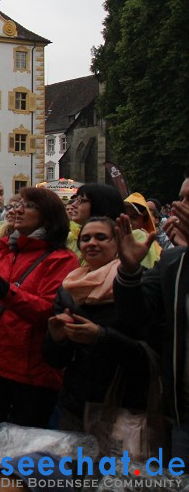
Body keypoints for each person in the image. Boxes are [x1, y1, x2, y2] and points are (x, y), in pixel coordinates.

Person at [0, 186, 79, 425]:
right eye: (16, 205)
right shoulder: (3, 252)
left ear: (48, 215)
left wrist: (1, 288)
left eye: (28, 206)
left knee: (19, 454)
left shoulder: (61, 259)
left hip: (31, 375)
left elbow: (47, 312)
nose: (17, 211)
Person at [43, 217, 150, 431]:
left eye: (101, 237)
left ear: (117, 243)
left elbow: (147, 353)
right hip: (76, 404)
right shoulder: (69, 288)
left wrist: (100, 336)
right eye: (85, 238)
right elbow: (56, 360)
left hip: (124, 404)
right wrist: (56, 338)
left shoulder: (137, 283)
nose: (92, 243)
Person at [114, 173, 189, 457]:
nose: (180, 206)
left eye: (188, 200)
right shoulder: (173, 260)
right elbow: (137, 317)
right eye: (181, 198)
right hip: (182, 415)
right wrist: (130, 272)